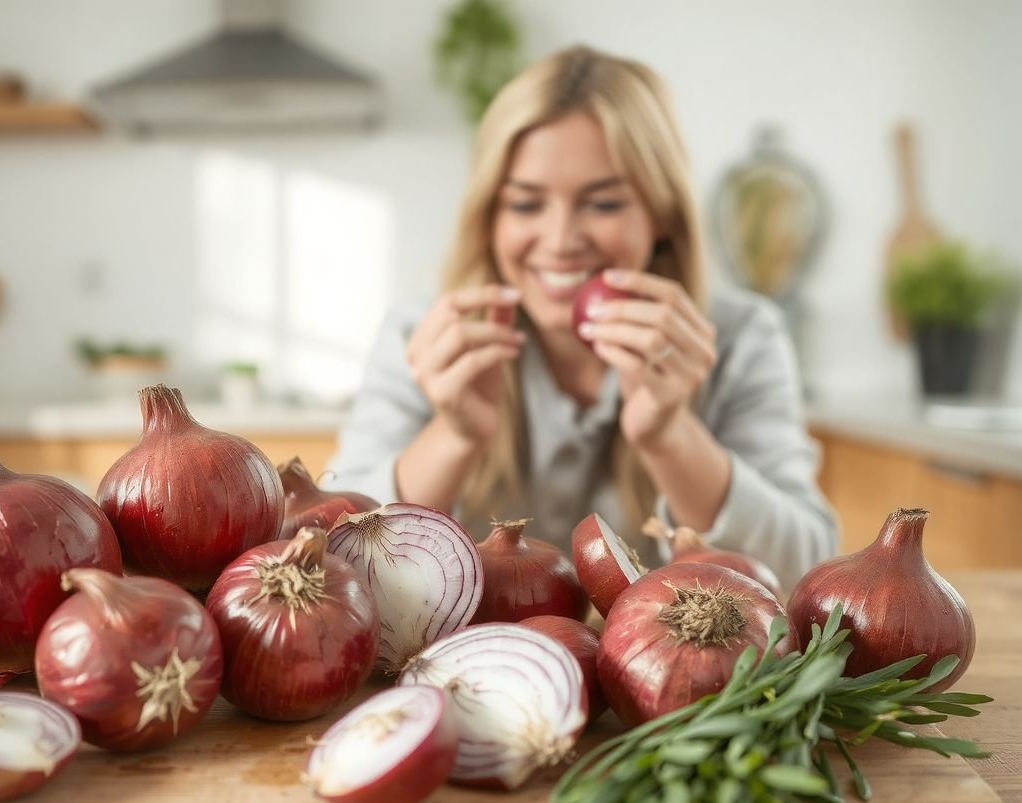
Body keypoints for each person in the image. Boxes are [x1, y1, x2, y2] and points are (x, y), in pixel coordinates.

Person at [326, 45, 837, 591]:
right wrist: (453, 433)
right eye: (525, 204)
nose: (562, 241)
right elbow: (336, 562)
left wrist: (671, 435)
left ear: (661, 213)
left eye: (604, 204)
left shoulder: (741, 337)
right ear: (490, 216)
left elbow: (802, 568)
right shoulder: (425, 338)